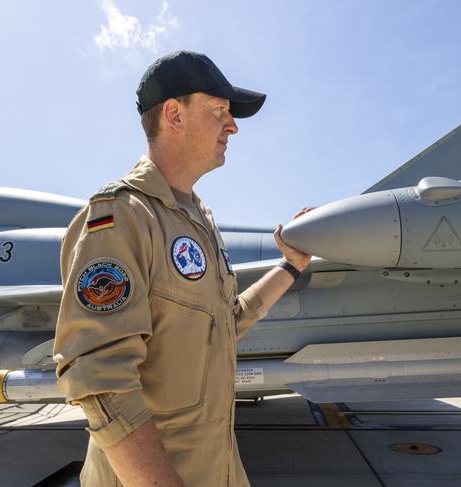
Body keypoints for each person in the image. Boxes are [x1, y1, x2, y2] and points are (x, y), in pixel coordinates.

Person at [53, 50, 312, 486]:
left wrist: (291, 266)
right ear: (174, 114)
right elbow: (100, 382)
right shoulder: (122, 215)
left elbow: (224, 323)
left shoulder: (199, 220)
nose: (232, 126)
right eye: (219, 112)